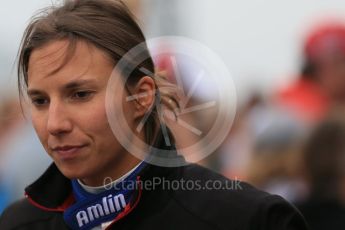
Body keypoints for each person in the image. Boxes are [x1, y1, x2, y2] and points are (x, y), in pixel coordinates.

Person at [0, 0, 308, 229]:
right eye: (40, 101)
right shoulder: (18, 223)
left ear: (141, 97)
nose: (55, 124)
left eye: (80, 95)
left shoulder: (250, 219)